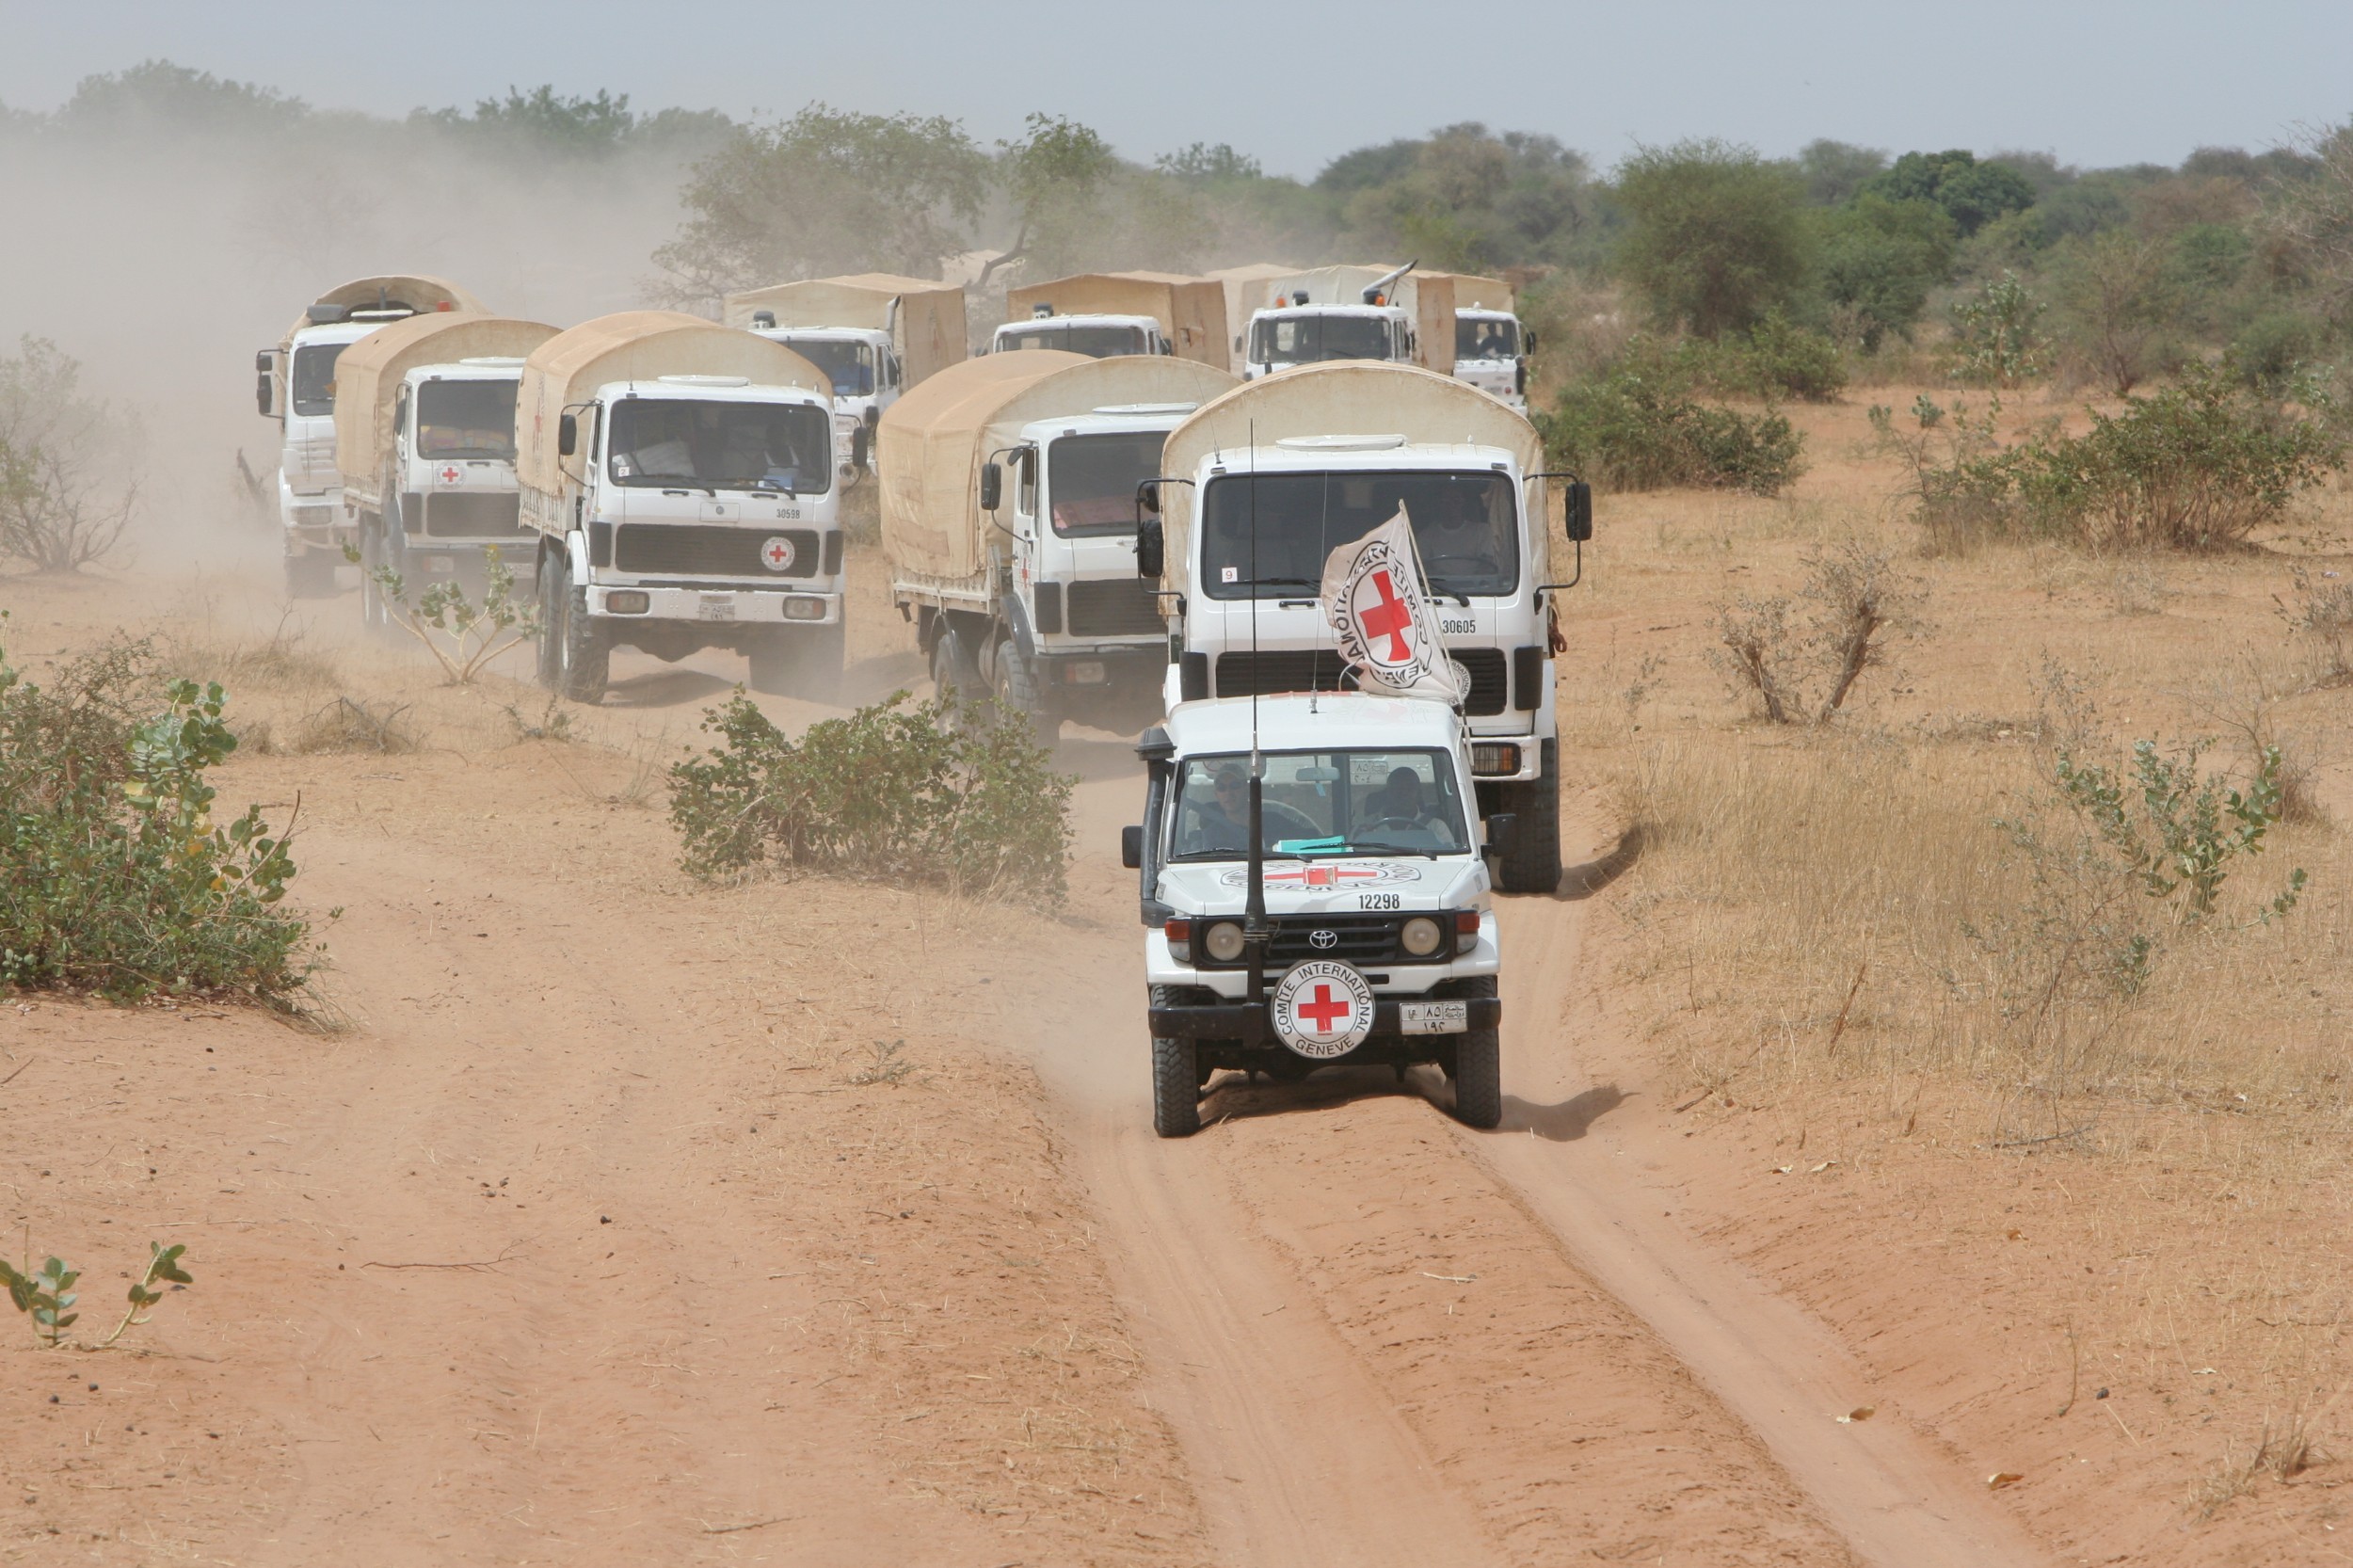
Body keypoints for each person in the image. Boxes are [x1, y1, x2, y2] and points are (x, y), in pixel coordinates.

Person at [1185, 764, 1254, 854]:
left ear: (1247, 788)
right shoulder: (1212, 835)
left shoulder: (1271, 822)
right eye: (1221, 788)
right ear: (1216, 794)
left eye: (1234, 785)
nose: (1228, 792)